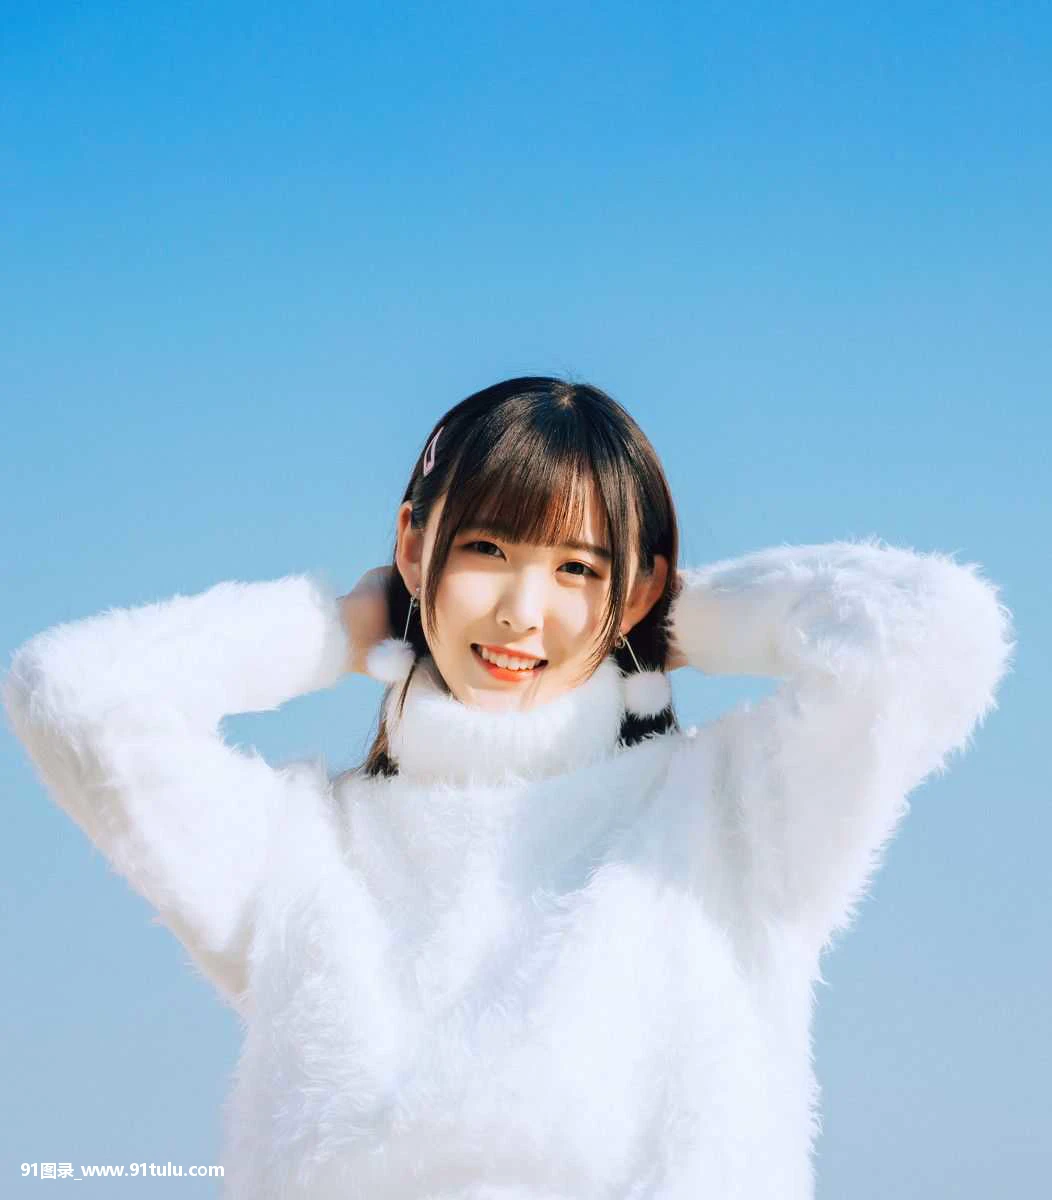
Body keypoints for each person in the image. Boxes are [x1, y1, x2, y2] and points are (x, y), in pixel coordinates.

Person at [2, 376, 1015, 1199]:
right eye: (486, 549)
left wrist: (670, 615)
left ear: (636, 586)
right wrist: (338, 627)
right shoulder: (302, 849)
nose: (523, 612)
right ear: (414, 545)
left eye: (578, 569)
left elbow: (932, 634)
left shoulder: (726, 817)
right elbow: (74, 699)